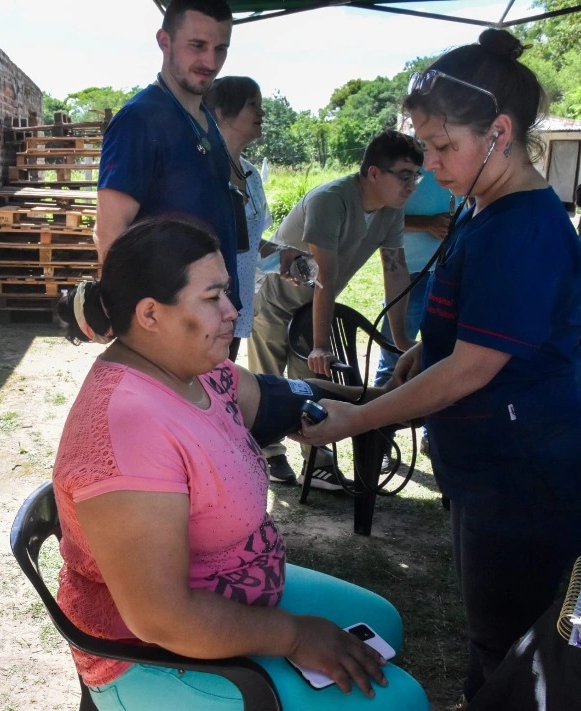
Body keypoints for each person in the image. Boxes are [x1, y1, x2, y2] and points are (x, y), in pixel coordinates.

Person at [295, 29, 581, 710]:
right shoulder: (485, 207)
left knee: (511, 640)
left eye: (444, 146)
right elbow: (469, 329)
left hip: (524, 478)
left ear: (500, 133)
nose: (430, 164)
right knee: (492, 626)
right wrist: (426, 346)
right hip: (486, 466)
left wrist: (357, 418)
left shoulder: (525, 229)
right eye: (424, 146)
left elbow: (474, 369)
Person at [52, 217, 430, 711]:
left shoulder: (198, 371)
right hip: (152, 651)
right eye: (213, 298)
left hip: (233, 596)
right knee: (401, 701)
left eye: (229, 292)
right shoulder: (130, 427)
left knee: (385, 622)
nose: (234, 311)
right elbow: (161, 617)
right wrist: (293, 636)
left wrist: (372, 403)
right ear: (150, 314)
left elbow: (277, 398)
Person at [248, 130, 423, 487]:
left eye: (416, 177)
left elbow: (395, 272)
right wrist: (320, 343)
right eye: (404, 176)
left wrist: (403, 338)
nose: (412, 186)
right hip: (276, 299)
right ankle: (267, 454)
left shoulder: (391, 212)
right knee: (268, 380)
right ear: (374, 173)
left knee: (312, 386)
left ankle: (319, 460)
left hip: (314, 304)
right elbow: (323, 277)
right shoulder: (333, 199)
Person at [95, 0, 245, 350]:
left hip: (217, 314)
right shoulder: (139, 119)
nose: (210, 62)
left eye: (220, 49)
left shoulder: (206, 118)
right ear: (164, 41)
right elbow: (110, 230)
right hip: (171, 328)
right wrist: (128, 323)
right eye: (197, 46)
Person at [373, 170, 453, 456]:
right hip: (407, 274)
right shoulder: (409, 162)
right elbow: (382, 214)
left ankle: (434, 438)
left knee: (441, 358)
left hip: (447, 275)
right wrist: (427, 224)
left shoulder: (465, 160)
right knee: (394, 358)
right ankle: (380, 440)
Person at [204, 76, 272, 360]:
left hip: (237, 307)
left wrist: (284, 257)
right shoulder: (202, 171)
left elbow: (249, 241)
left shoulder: (251, 174)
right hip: (206, 308)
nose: (262, 112)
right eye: (252, 104)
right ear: (221, 112)